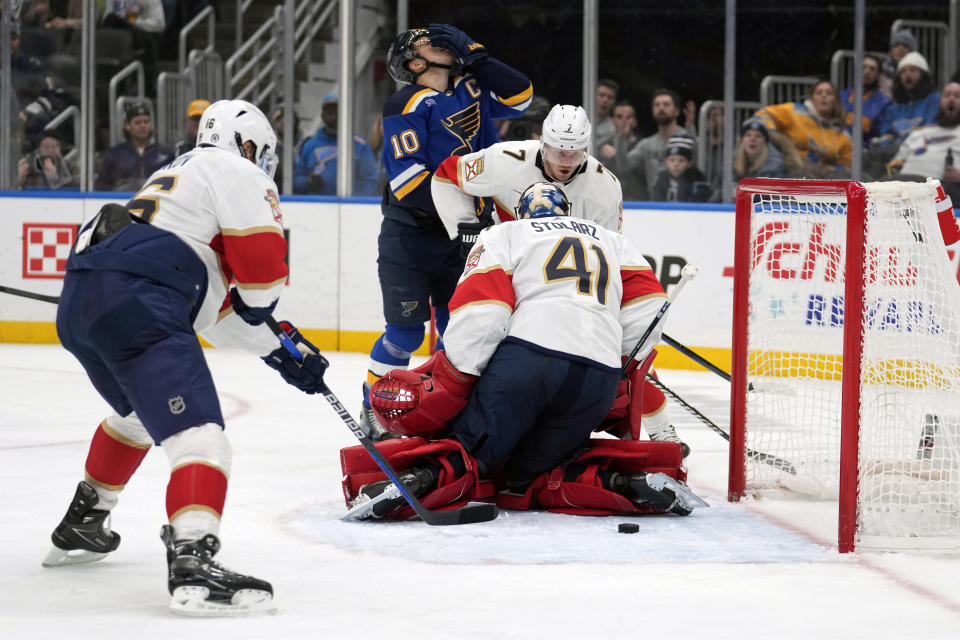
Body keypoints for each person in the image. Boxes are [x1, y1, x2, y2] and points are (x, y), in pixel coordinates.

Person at [44, 99, 329, 616]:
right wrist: (264, 312)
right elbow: (262, 275)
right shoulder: (233, 167)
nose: (265, 167)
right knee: (202, 437)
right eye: (263, 155)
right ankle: (194, 559)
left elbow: (215, 314)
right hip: (139, 299)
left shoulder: (173, 179)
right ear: (248, 146)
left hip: (84, 303)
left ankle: (86, 519)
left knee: (137, 413)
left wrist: (278, 350)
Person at [344, 183, 706, 520]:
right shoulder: (613, 241)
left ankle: (417, 481)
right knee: (539, 473)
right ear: (566, 211)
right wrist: (618, 365)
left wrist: (457, 376)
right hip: (597, 375)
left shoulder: (505, 233)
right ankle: (625, 484)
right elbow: (650, 306)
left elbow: (484, 312)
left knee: (472, 455)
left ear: (521, 213)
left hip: (528, 360)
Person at [431, 103, 690, 455]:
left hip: (557, 280)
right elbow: (446, 176)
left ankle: (662, 429)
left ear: (588, 149)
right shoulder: (503, 159)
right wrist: (465, 229)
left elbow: (607, 257)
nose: (566, 160)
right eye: (557, 151)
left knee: (619, 351)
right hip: (511, 264)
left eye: (576, 152)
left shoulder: (604, 187)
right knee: (483, 333)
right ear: (541, 142)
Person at [360, 24, 532, 438]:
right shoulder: (404, 103)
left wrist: (475, 53)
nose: (441, 44)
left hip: (465, 234)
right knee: (404, 334)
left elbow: (521, 96)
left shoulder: (471, 87)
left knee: (458, 329)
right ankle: (375, 411)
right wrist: (463, 222)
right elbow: (409, 182)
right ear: (415, 62)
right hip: (411, 234)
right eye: (428, 43)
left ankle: (440, 411)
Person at [753, 80, 852, 178]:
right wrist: (775, 136)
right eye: (818, 93)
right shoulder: (795, 112)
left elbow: (850, 166)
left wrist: (835, 170)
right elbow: (763, 114)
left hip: (820, 182)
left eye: (829, 93)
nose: (824, 96)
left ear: (836, 100)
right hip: (785, 171)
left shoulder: (842, 133)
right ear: (812, 98)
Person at [293, 92, 380, 195]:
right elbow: (296, 179)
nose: (333, 116)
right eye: (329, 112)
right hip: (317, 206)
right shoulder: (310, 145)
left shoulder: (360, 145)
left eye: (337, 111)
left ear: (344, 115)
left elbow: (371, 181)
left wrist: (356, 203)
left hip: (349, 207)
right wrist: (306, 182)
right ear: (322, 115)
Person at [887, 82, 960, 203]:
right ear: (940, 102)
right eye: (947, 95)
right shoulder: (920, 132)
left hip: (942, 189)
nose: (951, 98)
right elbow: (895, 164)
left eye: (957, 96)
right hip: (903, 185)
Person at [627, 88, 695, 197]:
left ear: (677, 111)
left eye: (666, 104)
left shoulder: (687, 138)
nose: (661, 108)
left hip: (685, 203)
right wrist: (620, 138)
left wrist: (691, 129)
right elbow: (624, 166)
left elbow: (698, 163)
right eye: (657, 105)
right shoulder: (647, 144)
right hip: (655, 204)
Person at [95, 100, 174, 191]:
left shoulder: (165, 154)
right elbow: (101, 186)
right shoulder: (114, 154)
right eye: (137, 122)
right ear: (127, 126)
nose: (143, 126)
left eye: (146, 122)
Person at [597, 100, 645, 200]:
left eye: (628, 117)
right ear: (613, 120)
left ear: (635, 122)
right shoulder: (603, 146)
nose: (623, 121)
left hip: (638, 201)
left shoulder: (643, 145)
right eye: (619, 117)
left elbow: (631, 172)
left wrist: (614, 156)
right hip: (609, 200)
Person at [840, 54, 891, 147]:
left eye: (872, 69)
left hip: (863, 153)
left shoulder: (884, 104)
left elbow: (882, 136)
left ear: (878, 75)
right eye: (864, 67)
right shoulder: (841, 96)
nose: (867, 71)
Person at [651, 135, 710, 202]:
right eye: (672, 160)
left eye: (681, 161)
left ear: (689, 163)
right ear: (666, 162)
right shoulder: (661, 177)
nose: (676, 164)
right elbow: (657, 201)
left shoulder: (698, 178)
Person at [879, 29, 916, 99]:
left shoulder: (919, 75)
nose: (900, 49)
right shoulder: (880, 72)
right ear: (891, 50)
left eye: (905, 46)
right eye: (896, 45)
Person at [593, 78, 619, 149]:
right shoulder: (575, 120)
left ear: (614, 102)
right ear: (592, 96)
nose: (605, 100)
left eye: (610, 97)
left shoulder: (615, 129)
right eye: (601, 95)